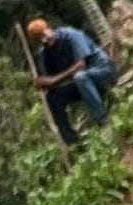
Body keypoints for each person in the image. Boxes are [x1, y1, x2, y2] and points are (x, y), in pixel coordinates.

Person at [29, 15, 118, 147]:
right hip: (82, 85)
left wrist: (54, 80)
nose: (44, 40)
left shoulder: (71, 35)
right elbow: (51, 82)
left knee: (80, 76)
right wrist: (43, 83)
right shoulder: (45, 54)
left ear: (49, 28)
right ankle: (73, 142)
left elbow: (81, 65)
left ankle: (104, 123)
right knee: (52, 97)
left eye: (44, 34)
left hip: (102, 73)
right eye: (39, 39)